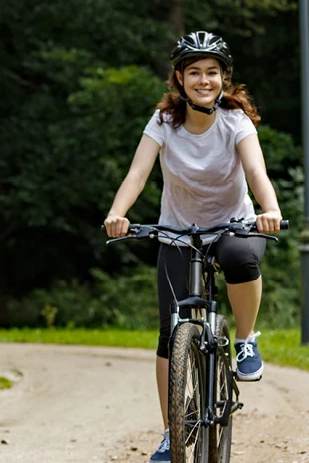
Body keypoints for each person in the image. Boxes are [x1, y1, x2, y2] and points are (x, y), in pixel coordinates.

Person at [103, 31, 283, 463]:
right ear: (179, 79)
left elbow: (256, 171)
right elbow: (137, 173)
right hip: (179, 230)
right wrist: (117, 212)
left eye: (212, 73)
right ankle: (172, 432)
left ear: (224, 79)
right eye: (195, 73)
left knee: (242, 258)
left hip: (232, 226)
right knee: (170, 333)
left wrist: (269, 207)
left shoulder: (235, 121)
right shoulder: (164, 123)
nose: (204, 80)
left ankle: (244, 340)